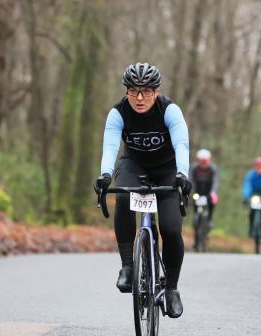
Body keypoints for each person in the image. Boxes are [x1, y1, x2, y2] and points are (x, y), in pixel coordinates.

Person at [93, 62, 191, 318]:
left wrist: (182, 174)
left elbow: (181, 144)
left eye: (146, 91)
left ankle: (171, 288)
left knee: (170, 228)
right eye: (133, 91)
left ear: (156, 92)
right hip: (134, 165)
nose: (139, 97)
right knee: (123, 195)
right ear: (126, 91)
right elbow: (110, 147)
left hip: (167, 168)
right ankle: (127, 266)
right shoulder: (118, 113)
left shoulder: (169, 110)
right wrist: (104, 175)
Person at [188, 149, 219, 250]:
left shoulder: (213, 169)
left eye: (205, 161)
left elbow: (216, 182)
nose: (204, 164)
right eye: (202, 161)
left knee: (211, 205)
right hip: (197, 192)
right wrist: (190, 192)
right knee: (196, 214)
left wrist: (213, 193)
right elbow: (190, 180)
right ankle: (196, 235)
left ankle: (209, 220)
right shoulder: (194, 168)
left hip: (209, 192)